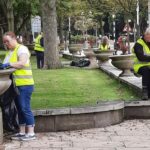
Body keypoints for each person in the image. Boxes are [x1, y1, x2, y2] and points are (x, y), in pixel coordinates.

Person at [1, 31, 35, 141]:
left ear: (14, 38)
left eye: (7, 41)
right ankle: (21, 132)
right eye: (4, 42)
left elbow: (22, 62)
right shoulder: (10, 52)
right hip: (15, 85)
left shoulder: (22, 49)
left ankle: (31, 133)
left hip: (25, 84)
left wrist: (8, 64)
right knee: (19, 108)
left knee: (25, 108)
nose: (6, 44)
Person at [133, 27, 150, 100]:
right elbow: (141, 57)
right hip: (139, 66)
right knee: (146, 70)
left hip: (148, 65)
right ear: (146, 34)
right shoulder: (138, 44)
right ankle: (144, 91)